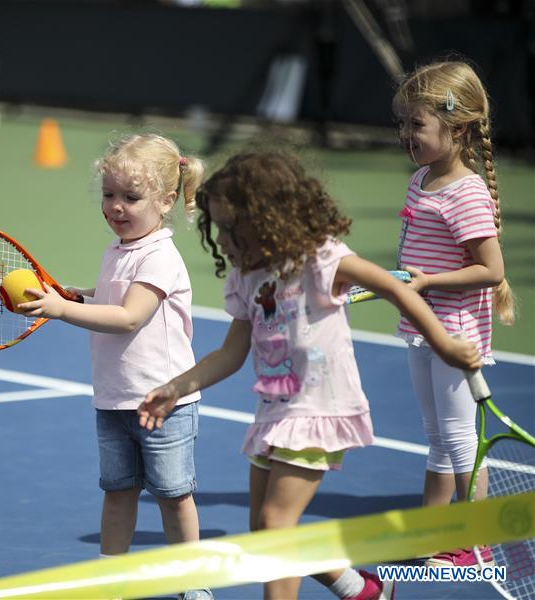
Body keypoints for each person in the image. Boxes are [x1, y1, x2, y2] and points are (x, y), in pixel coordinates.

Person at [137, 152, 482, 600]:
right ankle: (362, 589)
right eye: (216, 226)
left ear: (265, 221)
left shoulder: (320, 259)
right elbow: (230, 353)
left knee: (276, 526)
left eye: (229, 227)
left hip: (319, 410)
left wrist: (445, 344)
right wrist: (176, 387)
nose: (219, 238)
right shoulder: (245, 279)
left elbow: (394, 288)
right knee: (265, 533)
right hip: (275, 413)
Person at [17, 134, 212, 600]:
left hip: (163, 404)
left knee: (174, 496)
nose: (116, 207)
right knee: (118, 492)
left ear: (166, 201)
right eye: (109, 195)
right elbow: (109, 299)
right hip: (114, 399)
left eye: (131, 197)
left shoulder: (159, 256)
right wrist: (72, 295)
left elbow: (128, 317)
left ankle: (194, 583)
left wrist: (62, 310)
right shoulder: (117, 250)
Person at [391, 59, 514, 568]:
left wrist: (428, 283)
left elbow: (491, 269)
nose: (406, 134)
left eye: (416, 124)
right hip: (422, 326)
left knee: (461, 439)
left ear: (457, 128)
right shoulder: (421, 178)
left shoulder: (466, 192)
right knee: (438, 435)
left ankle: (474, 542)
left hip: (455, 331)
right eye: (402, 123)